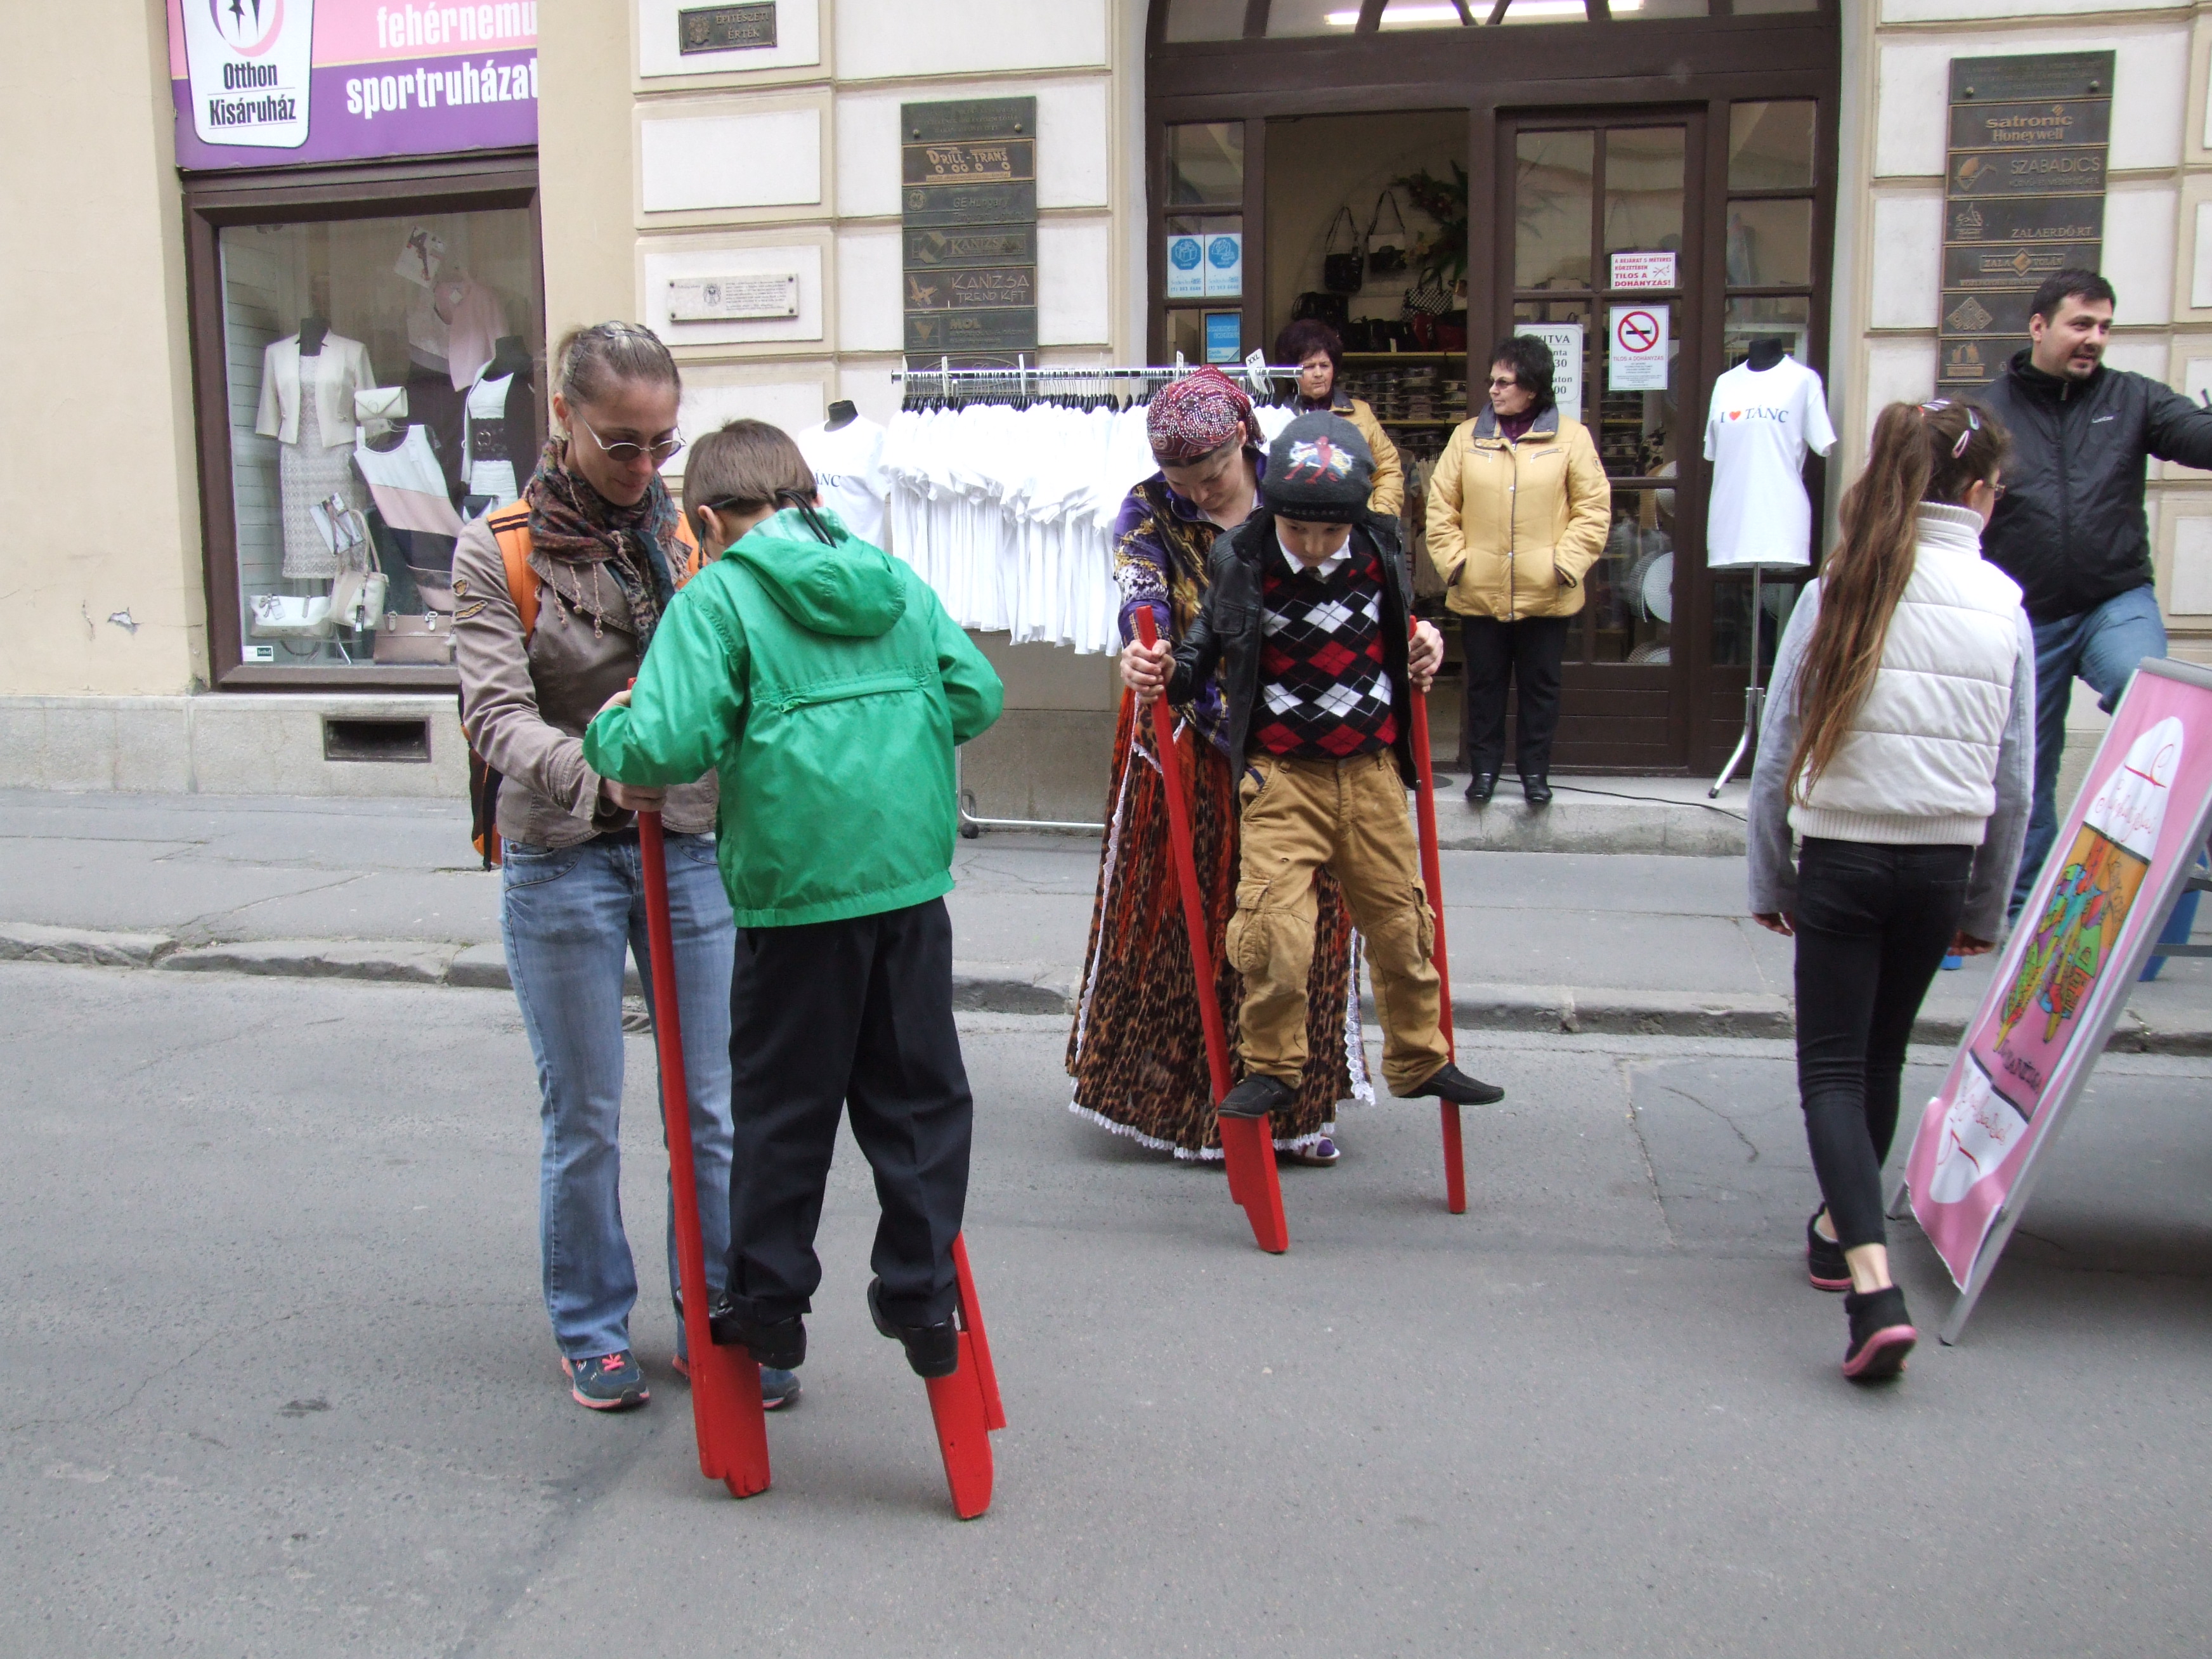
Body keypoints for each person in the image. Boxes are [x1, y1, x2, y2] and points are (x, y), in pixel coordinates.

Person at [583, 420, 1005, 1383]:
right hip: (906, 884)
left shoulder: (716, 597)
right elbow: (975, 696)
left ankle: (770, 1308)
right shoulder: (891, 579)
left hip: (796, 892)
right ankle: (921, 1295)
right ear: (810, 497)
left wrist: (607, 738)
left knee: (784, 1105)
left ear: (704, 521)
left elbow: (665, 745)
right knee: (918, 1100)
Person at [454, 323, 795, 1413]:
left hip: (690, 846)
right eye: (621, 444)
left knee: (711, 1109)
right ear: (564, 418)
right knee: (585, 1115)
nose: (645, 467)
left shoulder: (697, 538)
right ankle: (591, 1322)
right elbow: (495, 715)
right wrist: (601, 773)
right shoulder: (499, 550)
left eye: (662, 444)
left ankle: (719, 1317)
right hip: (562, 854)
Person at [1069, 368, 1443, 1167]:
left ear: (1243, 441)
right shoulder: (1147, 510)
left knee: (1305, 930)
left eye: (1211, 475)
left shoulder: (1306, 487)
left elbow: (1380, 588)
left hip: (1308, 748)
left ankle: (1297, 1109)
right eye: (1181, 481)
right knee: (1198, 929)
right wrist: (1144, 648)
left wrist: (1419, 639)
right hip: (1193, 742)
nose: (1198, 493)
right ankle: (1189, 1111)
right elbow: (1142, 594)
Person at [1747, 398, 2034, 1382]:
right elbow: (2015, 777)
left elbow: (1779, 750)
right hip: (1943, 860)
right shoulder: (2003, 601)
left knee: (1831, 1070)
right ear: (1980, 494)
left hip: (1844, 852)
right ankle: (1838, 1230)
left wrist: (1771, 874)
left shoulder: (1842, 586)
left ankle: (1872, 1286)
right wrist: (1985, 904)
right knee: (1881, 1054)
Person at [1126, 412, 1500, 1124]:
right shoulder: (1243, 557)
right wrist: (1163, 671)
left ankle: (1420, 1058)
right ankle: (1272, 1066)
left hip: (1371, 771)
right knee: (1274, 932)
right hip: (1282, 777)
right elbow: (1200, 650)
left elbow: (1404, 631)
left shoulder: (1380, 546)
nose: (1313, 544)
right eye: (1297, 528)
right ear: (1274, 509)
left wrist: (1425, 644)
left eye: (1330, 531)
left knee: (1401, 923)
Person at [1969, 270, 2212, 918]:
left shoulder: (2132, 398)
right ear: (2038, 326)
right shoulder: (1987, 414)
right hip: (2024, 616)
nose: (2094, 339)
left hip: (2113, 600)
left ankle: (2180, 860)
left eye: (2104, 327)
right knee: (2024, 769)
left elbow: (2196, 438)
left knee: (2156, 705)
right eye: (2081, 324)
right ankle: (2020, 910)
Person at [1425, 334, 1610, 807]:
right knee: (1484, 686)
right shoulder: (1467, 437)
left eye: (1505, 382)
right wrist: (1457, 564)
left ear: (1532, 387)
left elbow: (1593, 510)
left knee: (1540, 688)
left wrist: (1564, 566)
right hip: (1480, 589)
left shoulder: (1571, 438)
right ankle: (1484, 770)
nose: (1494, 389)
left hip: (1546, 591)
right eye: (1493, 380)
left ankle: (1534, 773)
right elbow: (1440, 508)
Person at [1273, 318, 1403, 516]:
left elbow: (1388, 470)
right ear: (1290, 372)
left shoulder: (1361, 413)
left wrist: (1381, 516)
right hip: (1301, 526)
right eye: (1309, 367)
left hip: (1359, 525)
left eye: (1325, 365)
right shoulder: (1278, 419)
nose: (1318, 374)